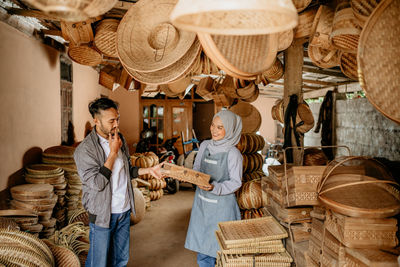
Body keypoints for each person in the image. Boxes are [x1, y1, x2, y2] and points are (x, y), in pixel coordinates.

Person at [74, 97, 164, 267]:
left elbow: (127, 170)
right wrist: (113, 153)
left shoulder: (118, 138)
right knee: (99, 263)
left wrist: (148, 170)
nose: (116, 124)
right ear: (96, 121)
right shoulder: (85, 150)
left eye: (118, 119)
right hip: (102, 214)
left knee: (120, 260)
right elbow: (97, 183)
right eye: (111, 121)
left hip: (123, 211)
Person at [184, 110, 243, 267]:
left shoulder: (233, 153)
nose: (214, 130)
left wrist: (213, 187)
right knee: (203, 247)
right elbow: (197, 168)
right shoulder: (205, 145)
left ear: (229, 129)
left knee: (220, 250)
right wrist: (192, 177)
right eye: (212, 125)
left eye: (220, 127)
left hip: (221, 209)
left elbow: (236, 182)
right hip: (202, 204)